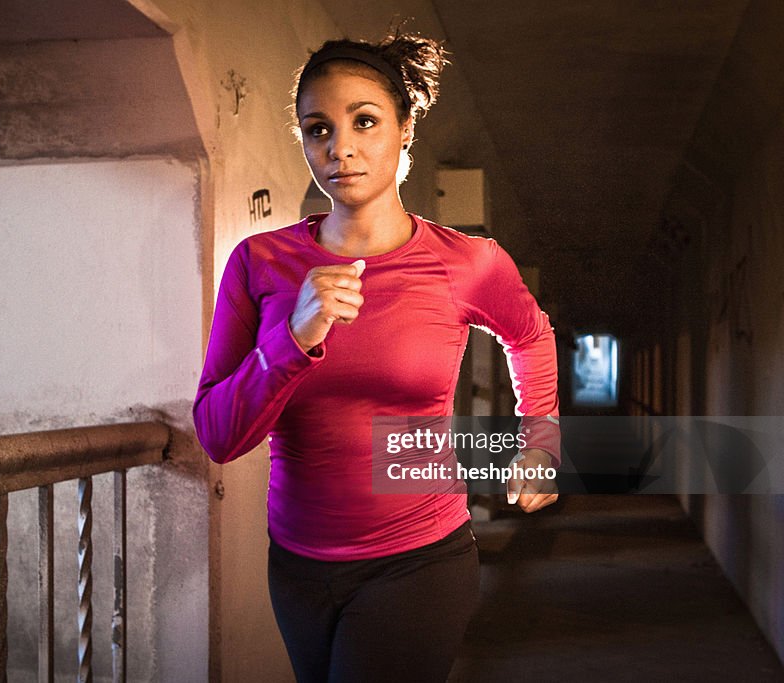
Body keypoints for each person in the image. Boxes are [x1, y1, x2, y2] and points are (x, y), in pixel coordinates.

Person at [192, 30, 560, 682]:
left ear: (405, 129)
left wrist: (540, 438)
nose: (341, 148)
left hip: (420, 559)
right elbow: (219, 434)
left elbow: (530, 333)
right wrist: (293, 340)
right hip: (297, 566)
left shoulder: (466, 263)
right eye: (318, 129)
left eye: (364, 121)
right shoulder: (259, 264)